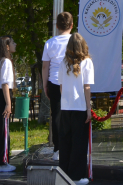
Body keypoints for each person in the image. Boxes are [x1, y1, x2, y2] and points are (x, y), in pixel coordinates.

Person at [59, 33, 94, 185]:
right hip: (80, 106)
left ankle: (63, 174)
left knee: (65, 142)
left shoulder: (63, 62)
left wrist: (66, 100)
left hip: (65, 107)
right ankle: (76, 176)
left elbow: (61, 86)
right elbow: (87, 87)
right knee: (79, 143)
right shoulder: (87, 62)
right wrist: (88, 108)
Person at [41, 11, 73, 161]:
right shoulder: (76, 41)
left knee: (57, 115)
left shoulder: (50, 43)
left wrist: (45, 84)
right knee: (72, 114)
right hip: (72, 82)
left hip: (54, 81)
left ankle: (58, 149)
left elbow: (45, 66)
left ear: (57, 26)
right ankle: (72, 146)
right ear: (71, 25)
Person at [0, 36, 17, 173]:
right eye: (12, 42)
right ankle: (1, 163)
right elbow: (5, 84)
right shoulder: (6, 62)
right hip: (2, 98)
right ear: (7, 46)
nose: (15, 44)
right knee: (2, 131)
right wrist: (8, 103)